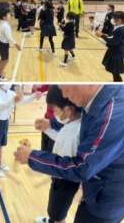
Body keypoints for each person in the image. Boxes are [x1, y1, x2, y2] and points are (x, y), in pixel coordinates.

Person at [15, 85, 124, 223]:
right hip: (97, 186)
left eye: (66, 88)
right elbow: (77, 120)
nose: (65, 95)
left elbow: (81, 168)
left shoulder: (114, 115)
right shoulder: (96, 100)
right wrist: (51, 125)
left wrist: (32, 157)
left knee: (65, 211)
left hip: (108, 197)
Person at [34, 87, 82, 223]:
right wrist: (47, 130)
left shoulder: (74, 132)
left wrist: (33, 157)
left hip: (64, 180)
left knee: (58, 213)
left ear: (68, 110)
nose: (54, 114)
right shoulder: (73, 123)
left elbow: (62, 164)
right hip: (61, 178)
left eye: (55, 110)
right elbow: (61, 138)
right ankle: (53, 219)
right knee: (55, 210)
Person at [0, 85, 41, 177]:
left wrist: (33, 96)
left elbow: (22, 101)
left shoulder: (10, 92)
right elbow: (0, 107)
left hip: (5, 121)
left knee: (0, 145)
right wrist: (13, 100)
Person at [97, 11, 124, 81]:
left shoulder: (120, 30)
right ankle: (116, 82)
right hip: (115, 52)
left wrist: (102, 36)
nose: (113, 20)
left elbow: (114, 42)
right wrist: (105, 35)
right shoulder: (119, 28)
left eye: (114, 18)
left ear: (119, 20)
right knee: (114, 72)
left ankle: (118, 83)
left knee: (115, 72)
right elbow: (113, 37)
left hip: (116, 53)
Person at [0, 8, 21, 82]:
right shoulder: (5, 26)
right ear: (4, 17)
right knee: (5, 60)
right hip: (3, 44)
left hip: (1, 43)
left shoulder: (3, 23)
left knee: (3, 58)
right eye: (8, 14)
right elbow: (9, 37)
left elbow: (6, 36)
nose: (10, 15)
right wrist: (16, 44)